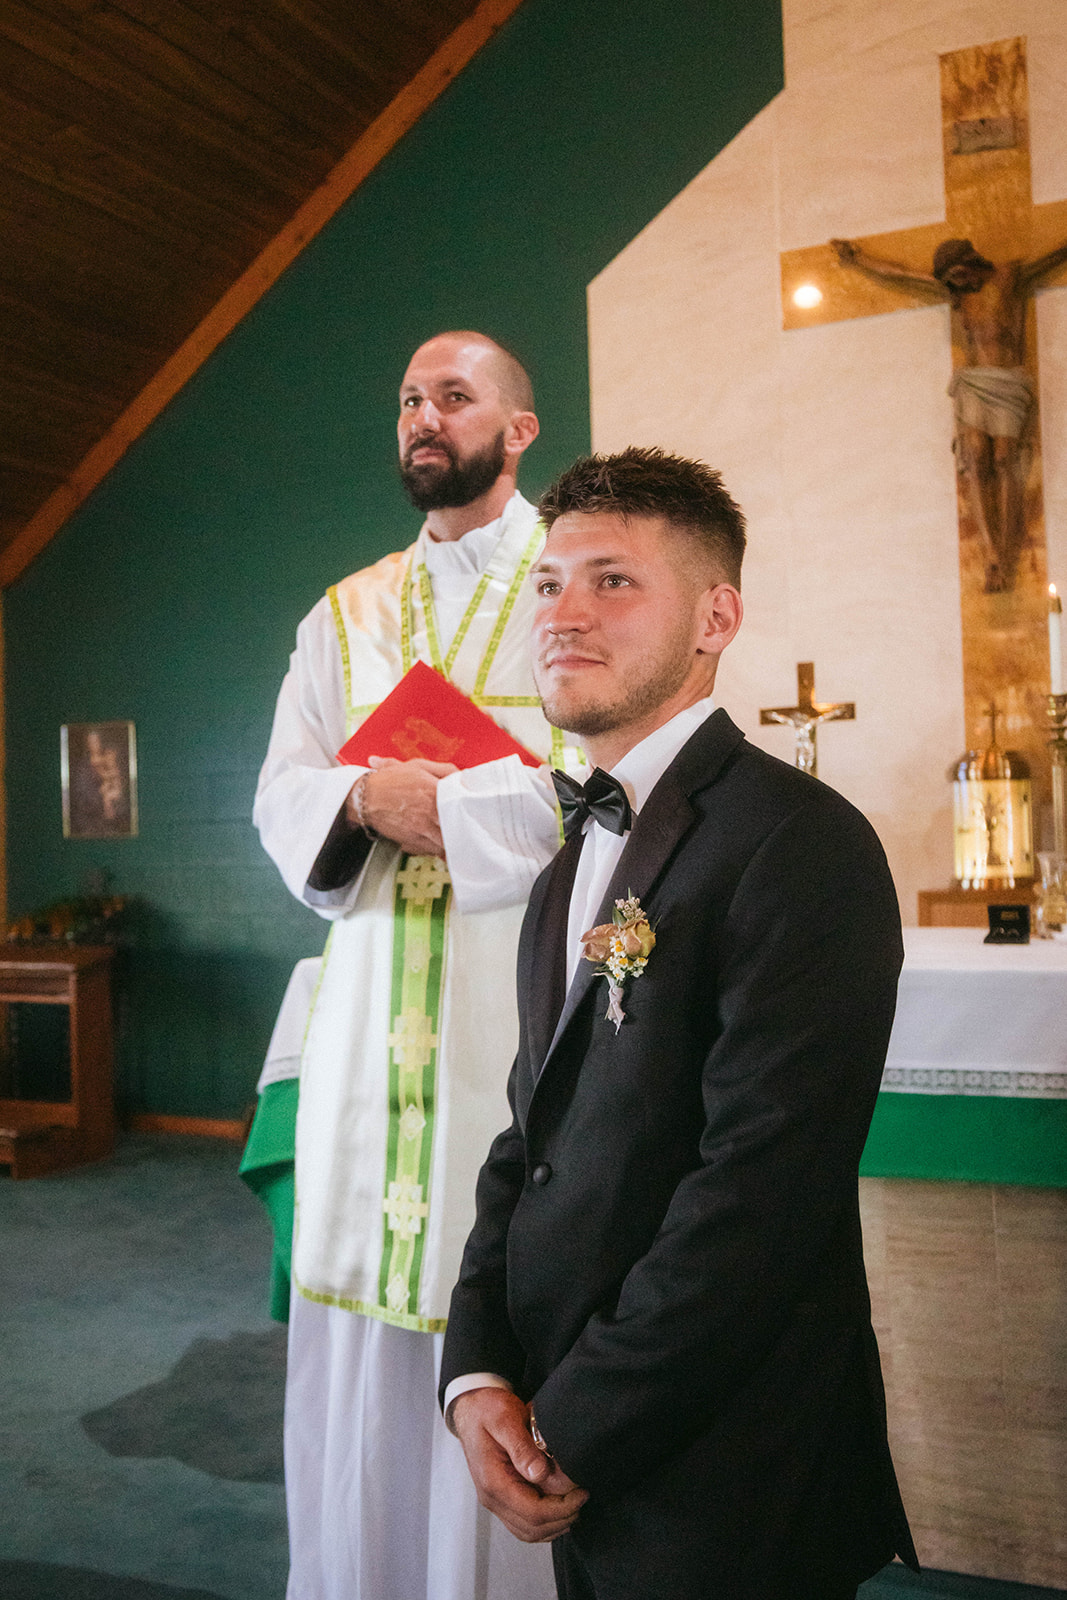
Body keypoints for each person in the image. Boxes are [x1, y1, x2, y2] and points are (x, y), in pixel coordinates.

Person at [440, 446, 918, 1600]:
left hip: (726, 1465)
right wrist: (478, 1372)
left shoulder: (798, 842)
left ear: (716, 615)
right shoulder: (566, 866)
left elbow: (757, 1191)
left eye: (612, 580)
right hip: (565, 1419)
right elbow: (531, 1142)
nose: (563, 612)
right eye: (549, 583)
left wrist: (577, 1426)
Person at [254, 331, 581, 1600]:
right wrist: (361, 794)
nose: (423, 418)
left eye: (453, 396)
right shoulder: (342, 610)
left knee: (501, 1288)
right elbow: (282, 789)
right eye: (406, 399)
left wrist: (445, 809)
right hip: (370, 1000)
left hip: (520, 995)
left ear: (519, 426)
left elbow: (613, 783)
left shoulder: (584, 578)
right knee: (364, 1330)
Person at [832, 233, 1067, 591]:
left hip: (1008, 382)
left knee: (1005, 458)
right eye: (951, 280)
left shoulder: (1009, 277)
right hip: (973, 384)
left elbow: (1054, 255)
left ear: (973, 262)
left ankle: (1006, 552)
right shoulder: (955, 294)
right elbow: (903, 275)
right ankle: (990, 554)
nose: (959, 285)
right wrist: (857, 260)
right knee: (973, 455)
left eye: (960, 275)